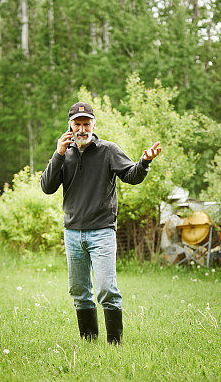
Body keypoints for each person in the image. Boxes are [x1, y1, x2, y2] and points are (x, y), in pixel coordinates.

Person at [40, 101, 161, 345]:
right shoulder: (64, 154)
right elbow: (47, 187)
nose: (82, 129)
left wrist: (144, 162)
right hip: (73, 234)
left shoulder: (108, 150)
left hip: (102, 232)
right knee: (80, 293)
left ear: (94, 125)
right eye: (77, 124)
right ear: (70, 126)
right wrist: (58, 154)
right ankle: (89, 344)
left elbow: (130, 176)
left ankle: (115, 345)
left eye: (87, 123)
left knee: (106, 289)